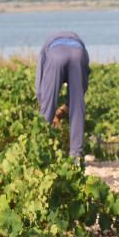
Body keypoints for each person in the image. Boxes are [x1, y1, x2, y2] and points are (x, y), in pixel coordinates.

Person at [35, 31, 90, 164]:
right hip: (78, 53)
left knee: (46, 108)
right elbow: (82, 88)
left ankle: (41, 151)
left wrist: (45, 105)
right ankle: (76, 156)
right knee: (78, 106)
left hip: (56, 54)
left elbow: (40, 85)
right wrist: (67, 106)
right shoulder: (81, 46)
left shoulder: (45, 48)